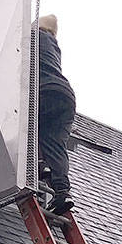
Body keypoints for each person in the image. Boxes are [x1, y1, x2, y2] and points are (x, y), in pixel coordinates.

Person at [36, 13, 76, 216]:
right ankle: (62, 191)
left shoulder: (34, 37)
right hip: (66, 97)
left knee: (21, 125)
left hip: (44, 91)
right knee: (55, 143)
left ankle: (37, 167)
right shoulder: (53, 45)